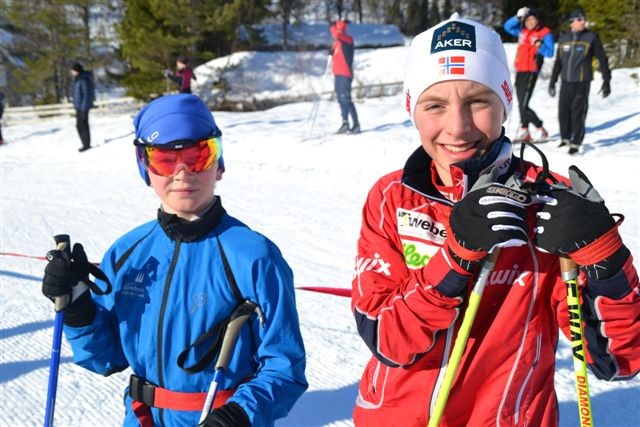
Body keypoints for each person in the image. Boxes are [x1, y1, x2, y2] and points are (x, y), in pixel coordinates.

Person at [351, 13, 639, 426]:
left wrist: (606, 259)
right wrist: (453, 260)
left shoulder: (548, 199)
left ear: (505, 102)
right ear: (412, 110)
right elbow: (387, 339)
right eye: (435, 105)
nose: (458, 126)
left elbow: (618, 359)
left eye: (478, 102)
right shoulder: (392, 197)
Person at [41, 94, 308, 426]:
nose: (182, 174)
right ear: (145, 169)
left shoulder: (254, 255)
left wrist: (239, 415)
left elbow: (285, 367)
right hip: (141, 419)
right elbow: (106, 358)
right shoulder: (128, 252)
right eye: (165, 159)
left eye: (198, 155)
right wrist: (79, 309)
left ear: (219, 165)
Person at [548, 8, 611, 155]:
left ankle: (576, 142)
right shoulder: (563, 39)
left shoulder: (591, 37)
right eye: (580, 19)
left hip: (582, 82)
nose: (584, 21)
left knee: (578, 112)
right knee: (563, 111)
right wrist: (552, 81)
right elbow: (558, 62)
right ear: (572, 22)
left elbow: (602, 59)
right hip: (566, 82)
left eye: (584, 19)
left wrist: (606, 81)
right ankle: (565, 138)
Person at [503, 6, 554, 143]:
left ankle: (540, 128)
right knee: (520, 102)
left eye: (533, 19)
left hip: (532, 71)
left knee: (524, 103)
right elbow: (507, 27)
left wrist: (540, 46)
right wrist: (517, 17)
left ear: (538, 20)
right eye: (527, 20)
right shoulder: (522, 31)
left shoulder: (545, 33)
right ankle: (525, 130)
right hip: (520, 70)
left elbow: (550, 53)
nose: (530, 22)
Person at [330, 20, 360, 134]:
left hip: (345, 74)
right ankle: (345, 123)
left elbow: (337, 34)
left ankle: (356, 125)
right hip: (337, 74)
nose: (333, 34)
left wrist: (331, 27)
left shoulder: (347, 39)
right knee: (341, 99)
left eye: (335, 30)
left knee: (346, 99)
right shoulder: (337, 43)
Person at [70, 63, 95, 152]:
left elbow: (87, 95)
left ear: (76, 70)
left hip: (83, 108)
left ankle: (86, 145)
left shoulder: (83, 80)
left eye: (72, 70)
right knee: (79, 126)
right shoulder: (78, 79)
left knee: (83, 125)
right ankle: (85, 144)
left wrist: (84, 109)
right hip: (79, 107)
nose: (71, 72)